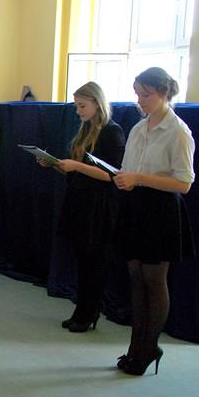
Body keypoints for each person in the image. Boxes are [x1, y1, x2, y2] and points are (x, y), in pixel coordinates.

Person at [113, 67, 195, 376]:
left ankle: (149, 346)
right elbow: (128, 168)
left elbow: (183, 183)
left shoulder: (178, 132)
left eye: (146, 95)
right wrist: (124, 178)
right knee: (135, 275)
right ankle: (136, 346)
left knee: (154, 278)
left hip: (160, 209)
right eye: (137, 94)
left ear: (164, 94)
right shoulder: (138, 128)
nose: (140, 101)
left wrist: (139, 178)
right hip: (136, 206)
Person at [37, 82, 125, 332]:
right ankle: (82, 310)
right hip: (79, 201)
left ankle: (89, 312)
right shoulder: (86, 130)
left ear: (97, 103)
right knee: (82, 261)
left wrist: (75, 166)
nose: (78, 111)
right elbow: (76, 171)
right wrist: (55, 164)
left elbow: (110, 175)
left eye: (82, 106)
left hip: (98, 206)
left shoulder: (113, 132)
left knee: (93, 262)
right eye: (76, 106)